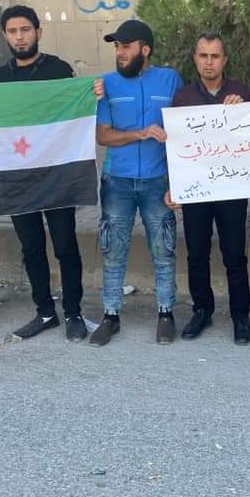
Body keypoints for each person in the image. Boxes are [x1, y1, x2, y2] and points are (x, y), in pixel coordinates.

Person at [0, 5, 88, 342]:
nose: (20, 37)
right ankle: (45, 312)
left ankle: (73, 311)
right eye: (13, 32)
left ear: (38, 32)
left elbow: (76, 113)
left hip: (56, 177)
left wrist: (92, 95)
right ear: (5, 36)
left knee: (65, 245)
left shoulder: (59, 70)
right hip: (18, 180)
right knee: (31, 248)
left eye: (25, 30)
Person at [90, 19, 183, 347]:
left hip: (158, 182)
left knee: (164, 250)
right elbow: (103, 136)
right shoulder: (107, 84)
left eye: (125, 46)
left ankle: (166, 313)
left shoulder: (170, 79)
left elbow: (188, 127)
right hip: (118, 182)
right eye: (116, 47)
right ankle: (110, 316)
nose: (119, 52)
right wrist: (140, 133)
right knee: (113, 251)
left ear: (145, 49)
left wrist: (181, 182)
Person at [164, 31, 250, 344]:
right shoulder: (183, 97)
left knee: (234, 255)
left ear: (225, 59)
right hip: (197, 190)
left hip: (231, 190)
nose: (209, 62)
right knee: (197, 254)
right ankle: (202, 310)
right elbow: (175, 147)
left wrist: (242, 111)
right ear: (195, 59)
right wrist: (173, 186)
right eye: (203, 55)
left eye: (215, 56)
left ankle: (241, 315)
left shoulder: (241, 92)